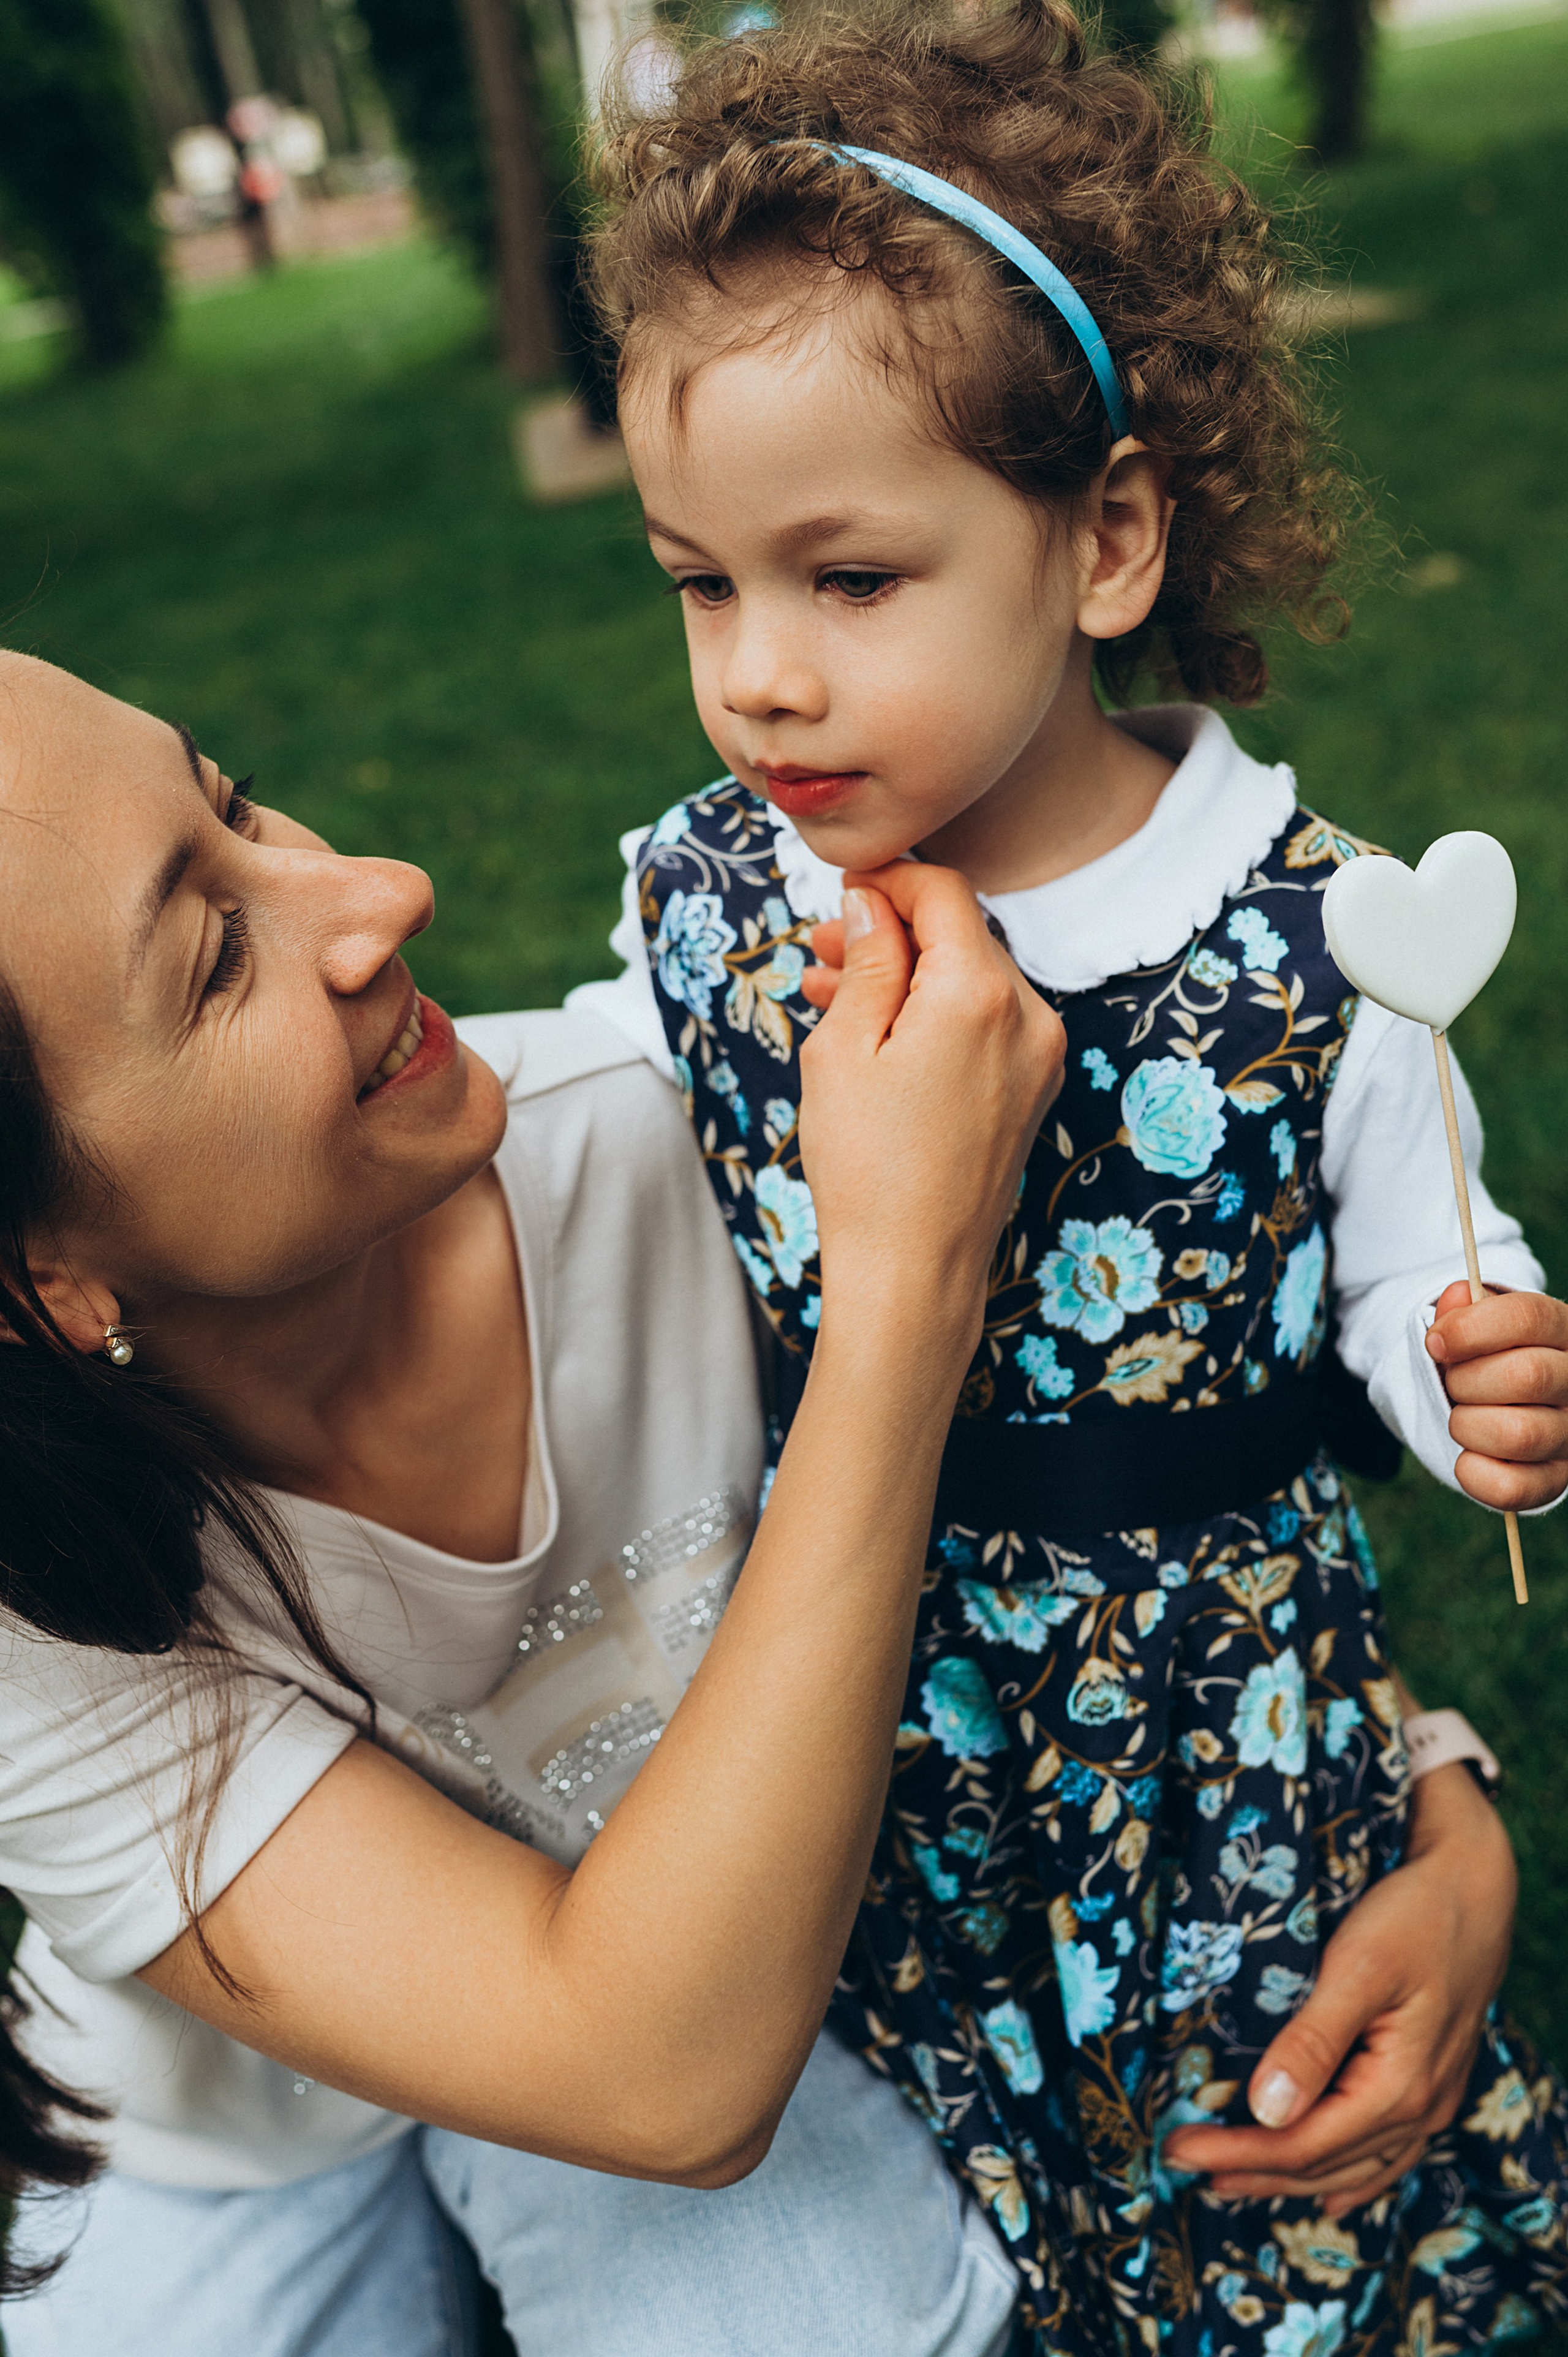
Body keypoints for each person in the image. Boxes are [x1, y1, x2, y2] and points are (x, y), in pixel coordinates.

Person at [570, 6, 1568, 2348]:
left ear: (1104, 538)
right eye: (701, 583)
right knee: (942, 2189)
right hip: (857, 1697)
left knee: (1259, 2168)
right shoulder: (705, 901)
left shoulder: (1312, 940)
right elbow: (596, 1184)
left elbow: (1412, 1265)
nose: (760, 678)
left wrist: (1474, 1377)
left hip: (1211, 1727)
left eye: (849, 579)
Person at [0, 651, 1065, 2356]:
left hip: (695, 1955)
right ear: (38, 1285)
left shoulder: (715, 1142)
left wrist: (1413, 1777)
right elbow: (647, 2074)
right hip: (240, 2128)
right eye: (213, 960)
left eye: (235, 804)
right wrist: (902, 1298)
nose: (379, 894)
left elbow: (1147, 1490)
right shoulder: (29, 1586)